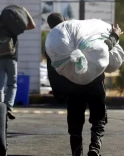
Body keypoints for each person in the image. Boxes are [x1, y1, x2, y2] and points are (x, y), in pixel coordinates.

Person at [45, 13, 119, 156]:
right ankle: (95, 148)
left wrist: (58, 94)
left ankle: (76, 153)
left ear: (50, 27)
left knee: (75, 124)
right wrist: (115, 36)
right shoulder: (81, 34)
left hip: (72, 87)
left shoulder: (53, 46)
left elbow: (52, 72)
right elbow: (103, 48)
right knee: (99, 118)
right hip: (95, 83)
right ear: (65, 20)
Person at [0, 11, 36, 120]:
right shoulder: (12, 30)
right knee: (12, 84)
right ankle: (8, 107)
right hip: (11, 60)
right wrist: (25, 11)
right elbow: (32, 26)